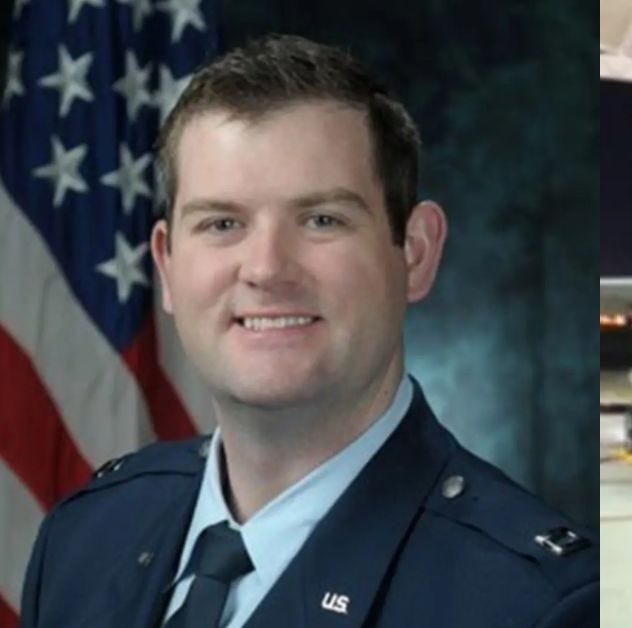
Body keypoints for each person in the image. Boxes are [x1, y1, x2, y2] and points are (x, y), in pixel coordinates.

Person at [21, 34, 598, 628]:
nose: (267, 269)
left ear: (416, 254)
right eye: (222, 223)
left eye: (323, 220)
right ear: (167, 266)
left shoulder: (538, 607)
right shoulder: (81, 541)